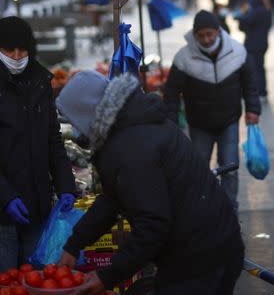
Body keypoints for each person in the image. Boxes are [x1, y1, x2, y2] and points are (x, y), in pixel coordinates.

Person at [56, 71, 244, 295]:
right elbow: (113, 198)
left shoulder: (130, 148)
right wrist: (75, 244)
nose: (75, 129)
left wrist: (107, 276)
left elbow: (152, 225)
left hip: (202, 257)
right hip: (205, 246)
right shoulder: (130, 127)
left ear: (87, 114)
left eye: (73, 120)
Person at [0, 16, 76, 282]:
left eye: (22, 50)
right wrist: (6, 197)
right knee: (5, 283)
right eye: (9, 50)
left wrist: (66, 185)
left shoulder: (39, 80)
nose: (16, 56)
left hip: (37, 204)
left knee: (37, 281)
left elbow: (53, 139)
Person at [163, 10, 261, 210]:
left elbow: (250, 83)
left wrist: (253, 109)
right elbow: (171, 92)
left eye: (210, 34)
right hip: (199, 125)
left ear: (218, 31)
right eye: (201, 35)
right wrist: (171, 121)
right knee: (198, 169)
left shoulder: (237, 52)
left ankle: (229, 211)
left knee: (230, 168)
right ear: (195, 35)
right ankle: (202, 211)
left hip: (229, 121)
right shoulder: (183, 58)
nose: (206, 39)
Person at [237, 0, 273, 100]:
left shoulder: (256, 12)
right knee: (260, 68)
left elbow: (244, 22)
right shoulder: (267, 12)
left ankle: (259, 92)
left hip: (253, 45)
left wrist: (241, 14)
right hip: (263, 44)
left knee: (254, 69)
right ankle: (263, 92)